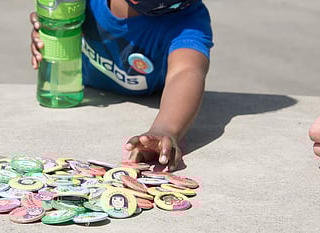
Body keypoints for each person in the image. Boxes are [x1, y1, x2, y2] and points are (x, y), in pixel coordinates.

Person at [30, 0, 213, 171]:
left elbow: (186, 72)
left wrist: (165, 129)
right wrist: (48, 28)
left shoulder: (188, 20)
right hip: (78, 91)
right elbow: (53, 18)